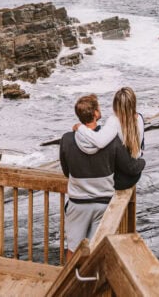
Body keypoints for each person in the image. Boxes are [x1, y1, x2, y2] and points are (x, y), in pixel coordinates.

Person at [59, 93, 146, 261]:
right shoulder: (112, 141)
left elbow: (66, 171)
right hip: (103, 203)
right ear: (97, 114)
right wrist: (142, 162)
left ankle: (69, 282)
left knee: (73, 248)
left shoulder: (67, 140)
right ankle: (92, 283)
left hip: (78, 202)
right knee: (95, 248)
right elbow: (129, 166)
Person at [73, 87, 145, 190]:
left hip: (119, 180)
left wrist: (80, 128)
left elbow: (99, 141)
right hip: (134, 175)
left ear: (115, 104)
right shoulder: (140, 118)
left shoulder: (114, 120)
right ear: (133, 103)